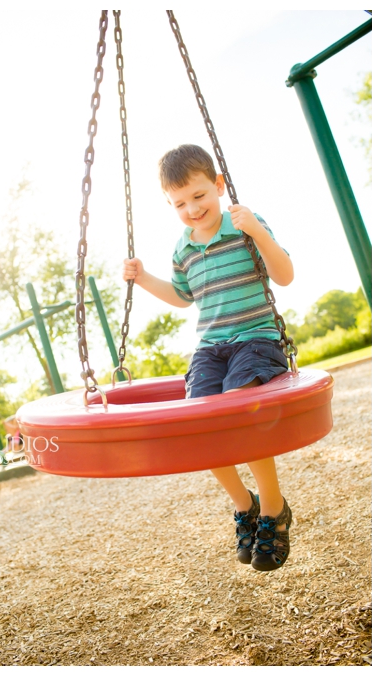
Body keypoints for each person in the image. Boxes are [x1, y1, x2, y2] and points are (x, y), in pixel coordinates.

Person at [121, 144, 294, 572]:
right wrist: (142, 279)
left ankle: (274, 507)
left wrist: (257, 231)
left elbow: (285, 275)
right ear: (169, 204)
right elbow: (181, 298)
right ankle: (245, 505)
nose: (192, 209)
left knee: (236, 405)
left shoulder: (243, 227)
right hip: (210, 349)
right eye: (180, 203)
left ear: (218, 186)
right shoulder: (182, 251)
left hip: (256, 338)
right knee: (200, 424)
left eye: (199, 196)